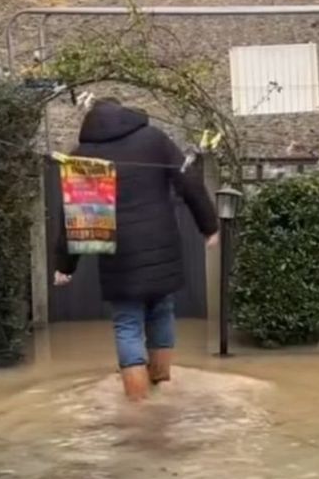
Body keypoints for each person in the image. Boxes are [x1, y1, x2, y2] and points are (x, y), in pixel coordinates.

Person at [53, 99, 219, 401]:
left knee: (128, 323)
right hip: (161, 244)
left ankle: (138, 404)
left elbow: (77, 218)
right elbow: (188, 181)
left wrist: (65, 265)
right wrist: (208, 226)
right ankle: (162, 383)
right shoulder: (153, 139)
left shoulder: (82, 157)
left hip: (118, 254)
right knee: (162, 310)